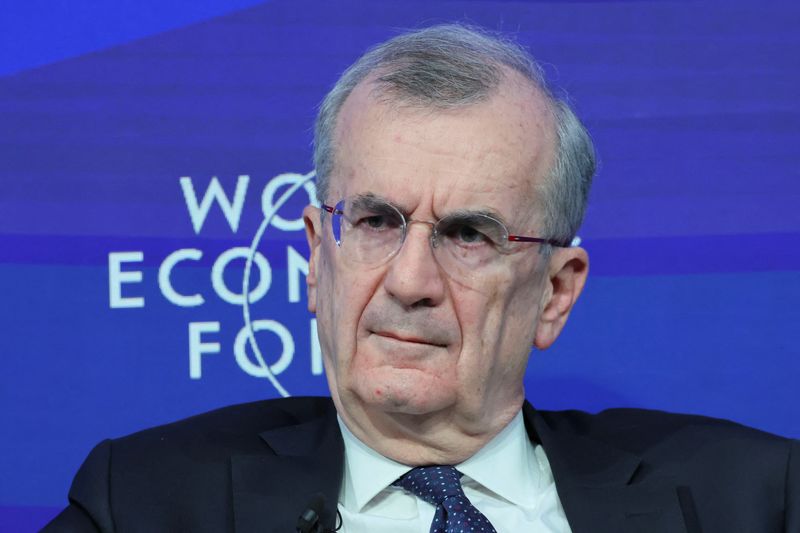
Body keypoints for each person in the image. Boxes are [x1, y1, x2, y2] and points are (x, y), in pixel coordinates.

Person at [44, 23, 798, 533]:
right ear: (317, 255)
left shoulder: (756, 497)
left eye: (469, 235)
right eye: (375, 221)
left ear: (556, 291)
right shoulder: (144, 501)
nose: (410, 281)